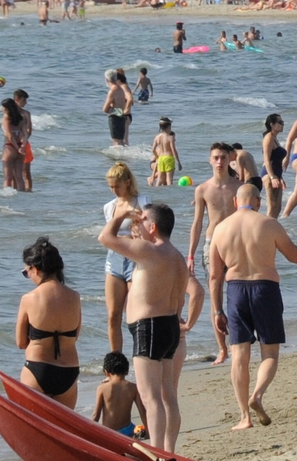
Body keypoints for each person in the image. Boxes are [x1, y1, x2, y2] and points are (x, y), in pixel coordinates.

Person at [208, 180, 297, 429]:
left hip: (236, 290)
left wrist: (217, 310)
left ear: (236, 202)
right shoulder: (268, 223)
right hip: (265, 288)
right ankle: (257, 395)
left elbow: (215, 276)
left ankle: (243, 418)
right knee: (269, 352)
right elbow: (295, 257)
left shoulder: (220, 229)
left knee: (239, 355)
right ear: (258, 202)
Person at [98, 203, 189, 453]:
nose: (136, 223)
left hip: (149, 327)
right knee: (168, 394)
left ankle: (157, 452)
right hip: (169, 325)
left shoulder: (150, 250)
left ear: (153, 226)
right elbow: (181, 298)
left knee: (151, 398)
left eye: (142, 220)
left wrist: (119, 217)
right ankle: (168, 451)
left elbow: (105, 237)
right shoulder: (177, 257)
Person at [188, 143, 244, 365]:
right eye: (215, 158)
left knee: (238, 293)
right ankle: (222, 349)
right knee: (215, 297)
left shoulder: (239, 187)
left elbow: (247, 219)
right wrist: (190, 254)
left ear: (229, 159)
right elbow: (197, 223)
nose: (219, 161)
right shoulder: (202, 189)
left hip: (235, 243)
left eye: (223, 157)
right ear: (210, 160)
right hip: (211, 244)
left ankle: (239, 341)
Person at [16, 237, 82, 406]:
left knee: (31, 426)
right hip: (69, 371)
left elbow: (21, 342)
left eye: (26, 273)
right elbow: (74, 337)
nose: (28, 277)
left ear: (35, 269)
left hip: (38, 369)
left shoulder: (29, 298)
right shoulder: (74, 297)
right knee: (63, 427)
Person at [103, 163, 150, 353]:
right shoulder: (109, 207)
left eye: (117, 186)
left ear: (127, 182)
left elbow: (150, 231)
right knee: (113, 314)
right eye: (111, 187)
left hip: (135, 257)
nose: (114, 190)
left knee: (136, 311)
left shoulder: (142, 201)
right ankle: (116, 361)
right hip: (114, 258)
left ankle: (141, 354)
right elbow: (107, 235)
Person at [92, 352, 148, 439]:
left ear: (106, 372)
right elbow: (142, 412)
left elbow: (96, 415)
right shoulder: (134, 388)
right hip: (128, 430)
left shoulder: (102, 388)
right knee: (138, 428)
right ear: (127, 370)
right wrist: (148, 432)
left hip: (109, 432)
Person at [261, 113, 288, 218]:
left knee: (278, 207)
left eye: (283, 122)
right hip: (269, 174)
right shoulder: (268, 138)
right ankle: (265, 232)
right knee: (272, 208)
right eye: (280, 122)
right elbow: (266, 160)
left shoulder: (274, 138)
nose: (282, 125)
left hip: (276, 174)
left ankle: (272, 231)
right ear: (272, 124)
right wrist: (272, 177)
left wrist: (280, 177)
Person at [1, 98, 26, 191]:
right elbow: (25, 134)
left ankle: (7, 200)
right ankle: (23, 198)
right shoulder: (21, 118)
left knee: (8, 178)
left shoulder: (6, 118)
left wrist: (16, 147)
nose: (2, 109)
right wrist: (22, 146)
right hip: (20, 145)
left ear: (6, 108)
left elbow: (10, 135)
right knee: (19, 177)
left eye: (3, 107)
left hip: (10, 146)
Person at [13, 89, 35, 192]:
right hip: (12, 143)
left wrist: (24, 141)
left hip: (24, 143)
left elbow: (29, 130)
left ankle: (28, 191)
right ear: (16, 99)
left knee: (26, 172)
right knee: (13, 172)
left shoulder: (26, 113)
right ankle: (14, 191)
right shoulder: (10, 113)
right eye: (24, 100)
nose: (25, 103)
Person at [104, 72, 133, 148]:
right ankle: (123, 158)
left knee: (116, 142)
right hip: (122, 117)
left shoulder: (113, 91)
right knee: (121, 141)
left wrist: (113, 109)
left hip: (115, 117)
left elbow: (105, 109)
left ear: (107, 79)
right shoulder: (121, 88)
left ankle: (118, 159)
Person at [150, 118, 180, 187]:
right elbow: (173, 150)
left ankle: (156, 192)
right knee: (169, 179)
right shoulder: (170, 137)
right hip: (169, 158)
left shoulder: (157, 137)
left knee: (160, 179)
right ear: (168, 127)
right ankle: (170, 196)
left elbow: (153, 150)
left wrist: (157, 157)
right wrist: (178, 162)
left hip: (161, 158)